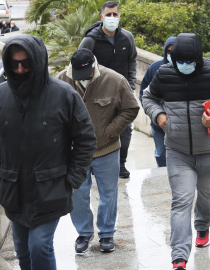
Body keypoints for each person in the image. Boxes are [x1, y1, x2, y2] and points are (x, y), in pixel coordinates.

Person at [0, 34, 97, 270]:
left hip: (51, 189)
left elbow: (85, 139)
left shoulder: (64, 95)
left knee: (39, 245)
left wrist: (72, 179)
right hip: (13, 190)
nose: (20, 69)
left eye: (26, 63)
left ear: (38, 62)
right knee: (23, 250)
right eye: (14, 64)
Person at [142, 33, 210, 270]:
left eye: (189, 62)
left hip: (209, 150)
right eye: (180, 61)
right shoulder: (165, 74)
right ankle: (179, 259)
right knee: (181, 201)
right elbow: (148, 97)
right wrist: (159, 115)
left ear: (198, 59)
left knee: (206, 195)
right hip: (177, 151)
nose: (184, 66)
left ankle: (203, 225)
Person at [58, 48, 139, 254]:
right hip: (76, 152)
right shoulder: (61, 81)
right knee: (77, 194)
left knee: (108, 194)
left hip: (107, 149)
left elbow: (131, 108)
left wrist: (111, 131)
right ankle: (84, 233)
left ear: (94, 66)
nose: (83, 80)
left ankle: (106, 234)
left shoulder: (115, 80)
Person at [78, 1, 137, 179]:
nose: (112, 18)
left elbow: (132, 60)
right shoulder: (90, 39)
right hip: (98, 93)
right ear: (101, 17)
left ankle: (121, 163)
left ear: (119, 16)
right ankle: (94, 162)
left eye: (115, 15)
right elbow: (80, 62)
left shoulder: (127, 38)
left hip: (121, 92)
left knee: (124, 128)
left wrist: (131, 83)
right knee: (96, 128)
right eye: (108, 15)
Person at [139, 36, 176, 168]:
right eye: (169, 51)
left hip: (180, 126)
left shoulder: (186, 69)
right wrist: (156, 114)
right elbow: (143, 94)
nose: (172, 54)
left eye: (175, 51)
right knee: (161, 154)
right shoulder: (155, 68)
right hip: (159, 125)